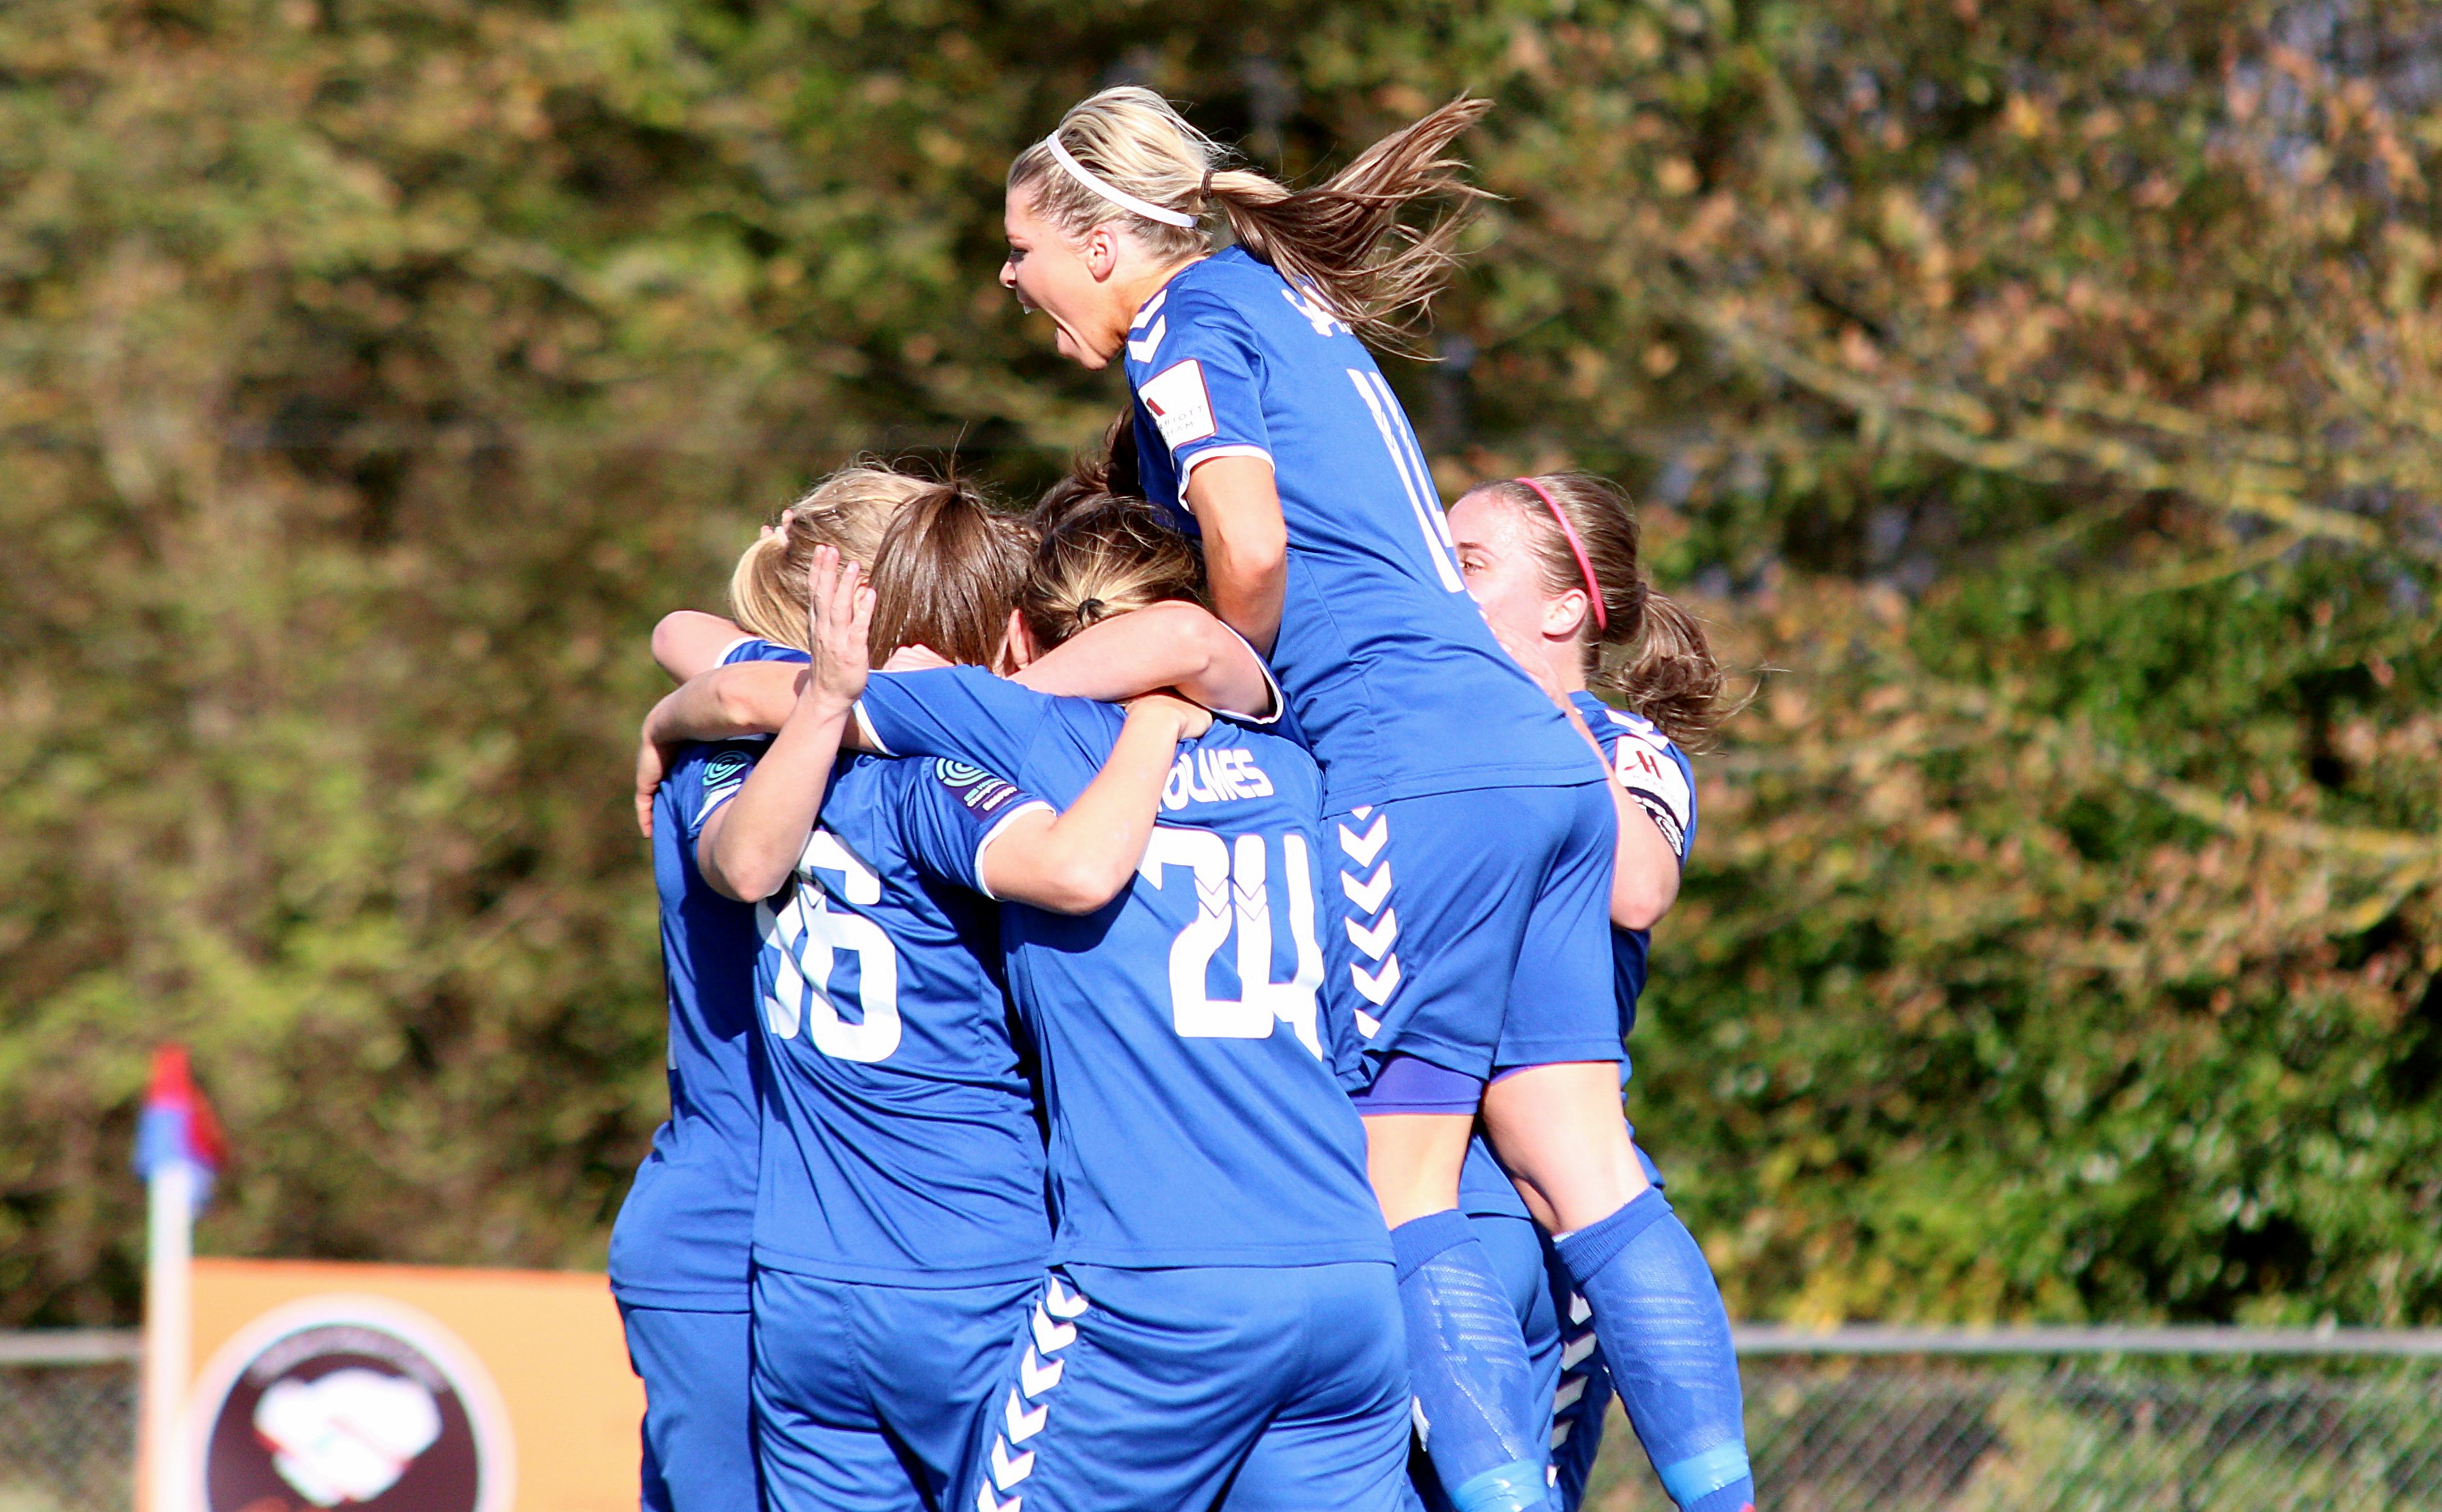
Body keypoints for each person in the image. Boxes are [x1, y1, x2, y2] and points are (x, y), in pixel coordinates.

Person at [997, 86, 1649, 1512]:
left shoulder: (1183, 322)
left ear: (1106, 246)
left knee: (1392, 1170)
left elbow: (1247, 536)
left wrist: (1225, 678)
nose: (1010, 277)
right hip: (1517, 763)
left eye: (1023, 247)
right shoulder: (1284, 299)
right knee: (1593, 1173)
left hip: (1397, 762)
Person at [837, 499, 1411, 1512]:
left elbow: (788, 697)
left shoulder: (1017, 724)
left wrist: (672, 719)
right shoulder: (1294, 765)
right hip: (1346, 1279)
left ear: (1023, 633)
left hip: (1156, 1285)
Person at [667, 484, 1212, 1512]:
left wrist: (733, 705)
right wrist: (1150, 728)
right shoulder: (944, 783)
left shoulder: (745, 757)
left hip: (800, 1277)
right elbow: (1073, 869)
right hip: (968, 1262)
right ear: (1009, 632)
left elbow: (694, 656)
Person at [609, 467, 925, 1512]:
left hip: (810, 1234)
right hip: (734, 1235)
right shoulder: (743, 748)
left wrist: (678, 703)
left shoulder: (762, 717)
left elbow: (685, 636)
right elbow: (697, 647)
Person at [1442, 473, 1751, 1512]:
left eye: (1471, 564)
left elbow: (1638, 886)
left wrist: (1548, 725)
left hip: (1564, 1207)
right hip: (1435, 1177)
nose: (1442, 583)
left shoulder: (1626, 746)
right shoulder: (1420, 745)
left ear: (1564, 608)